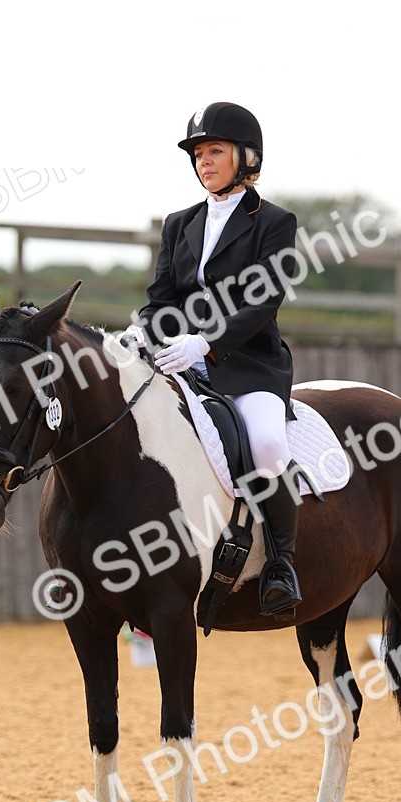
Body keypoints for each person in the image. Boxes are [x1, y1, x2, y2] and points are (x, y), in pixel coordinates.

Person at [122, 101, 302, 616]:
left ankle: (281, 565)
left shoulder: (273, 222)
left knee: (266, 444)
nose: (204, 162)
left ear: (246, 158)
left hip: (248, 365)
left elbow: (263, 301)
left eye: (215, 151)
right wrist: (144, 333)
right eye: (198, 153)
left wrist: (208, 342)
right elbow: (160, 298)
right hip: (180, 360)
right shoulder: (180, 224)